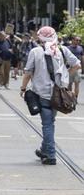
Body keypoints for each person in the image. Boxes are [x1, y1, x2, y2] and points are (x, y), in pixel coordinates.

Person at [21, 26, 81, 165]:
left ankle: (51, 155)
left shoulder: (35, 52)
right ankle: (44, 149)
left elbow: (28, 72)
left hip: (41, 94)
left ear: (40, 38)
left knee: (47, 125)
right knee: (50, 123)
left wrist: (23, 88)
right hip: (58, 94)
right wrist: (66, 76)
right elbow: (77, 65)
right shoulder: (62, 50)